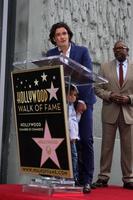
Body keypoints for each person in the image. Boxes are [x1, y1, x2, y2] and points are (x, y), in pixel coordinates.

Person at [46, 22, 96, 193]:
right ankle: (67, 178)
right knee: (63, 142)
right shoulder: (51, 54)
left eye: (64, 33)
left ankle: (86, 179)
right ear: (54, 39)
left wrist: (81, 102)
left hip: (82, 102)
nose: (62, 36)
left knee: (86, 140)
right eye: (58, 34)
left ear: (69, 35)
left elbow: (89, 77)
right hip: (61, 105)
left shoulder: (82, 51)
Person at [94, 40, 133, 189]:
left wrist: (129, 98)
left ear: (127, 50)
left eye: (121, 48)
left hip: (128, 113)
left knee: (128, 148)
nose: (119, 51)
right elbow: (97, 88)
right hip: (110, 112)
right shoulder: (104, 67)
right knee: (106, 147)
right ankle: (103, 177)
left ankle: (128, 179)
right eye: (116, 49)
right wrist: (110, 95)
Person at [65, 84, 86, 186]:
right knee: (71, 157)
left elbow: (74, 121)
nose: (75, 97)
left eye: (75, 95)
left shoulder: (71, 107)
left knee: (74, 157)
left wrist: (79, 113)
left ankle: (74, 177)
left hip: (73, 138)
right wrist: (69, 135)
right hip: (68, 138)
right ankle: (70, 177)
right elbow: (67, 122)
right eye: (72, 95)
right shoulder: (65, 107)